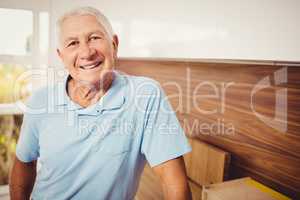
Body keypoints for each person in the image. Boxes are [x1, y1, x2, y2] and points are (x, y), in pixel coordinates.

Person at [9, 6, 192, 200]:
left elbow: (173, 181)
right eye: (72, 43)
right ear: (61, 56)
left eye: (94, 38)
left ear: (114, 44)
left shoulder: (145, 96)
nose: (86, 52)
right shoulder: (40, 100)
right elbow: (24, 163)